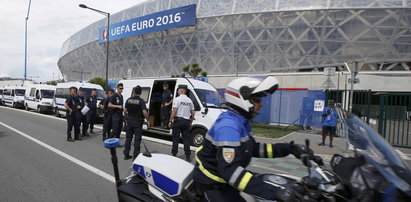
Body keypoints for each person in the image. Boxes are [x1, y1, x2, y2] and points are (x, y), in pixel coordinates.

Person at [192, 76, 306, 201]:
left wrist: (289, 149)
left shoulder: (241, 122)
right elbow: (230, 171)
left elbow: (254, 148)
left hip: (225, 182)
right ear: (242, 99)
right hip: (212, 185)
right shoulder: (229, 127)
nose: (261, 104)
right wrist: (275, 192)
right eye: (256, 100)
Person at [168, 84, 195, 161]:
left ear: (181, 90)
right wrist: (190, 123)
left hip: (178, 121)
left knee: (175, 139)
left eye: (178, 90)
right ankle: (188, 157)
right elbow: (193, 113)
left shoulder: (177, 99)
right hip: (186, 122)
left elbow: (174, 111)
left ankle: (174, 155)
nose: (177, 91)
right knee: (186, 139)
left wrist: (170, 120)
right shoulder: (190, 101)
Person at [123, 85, 150, 160]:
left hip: (129, 121)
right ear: (140, 92)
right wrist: (148, 120)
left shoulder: (128, 100)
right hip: (137, 122)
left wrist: (126, 119)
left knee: (128, 138)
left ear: (134, 92)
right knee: (137, 139)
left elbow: (125, 111)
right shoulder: (141, 101)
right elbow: (144, 112)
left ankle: (126, 154)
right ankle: (135, 156)